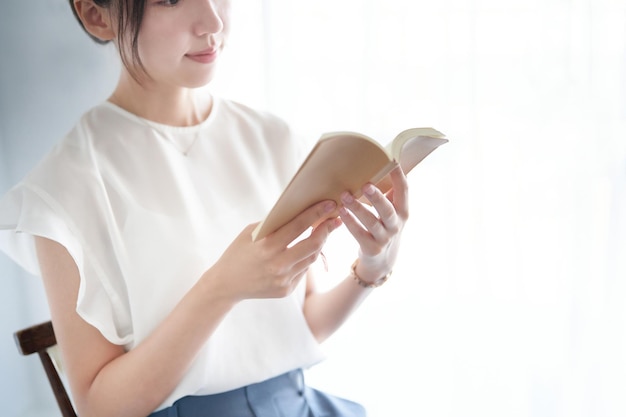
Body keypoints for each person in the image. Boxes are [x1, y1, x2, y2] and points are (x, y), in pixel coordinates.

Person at [0, 0, 409, 416]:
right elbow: (99, 408)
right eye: (172, 0)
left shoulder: (271, 138)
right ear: (96, 15)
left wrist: (373, 266)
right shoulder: (67, 187)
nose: (213, 21)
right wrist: (221, 288)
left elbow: (299, 328)